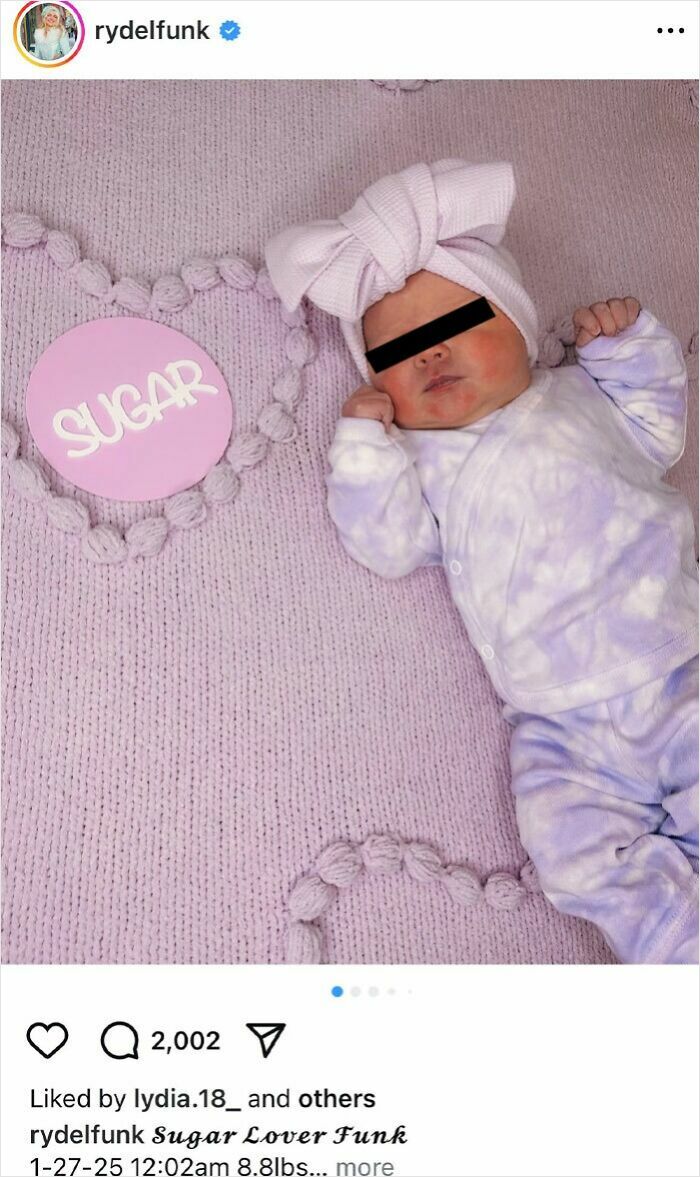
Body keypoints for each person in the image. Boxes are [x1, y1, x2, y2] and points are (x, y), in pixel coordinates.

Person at [264, 159, 699, 964]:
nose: (429, 357)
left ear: (522, 328)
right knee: (572, 851)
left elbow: (659, 424)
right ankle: (674, 939)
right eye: (400, 351)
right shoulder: (424, 459)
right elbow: (388, 546)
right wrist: (364, 449)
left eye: (454, 328)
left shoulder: (580, 397)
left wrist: (631, 344)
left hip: (673, 660)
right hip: (555, 724)